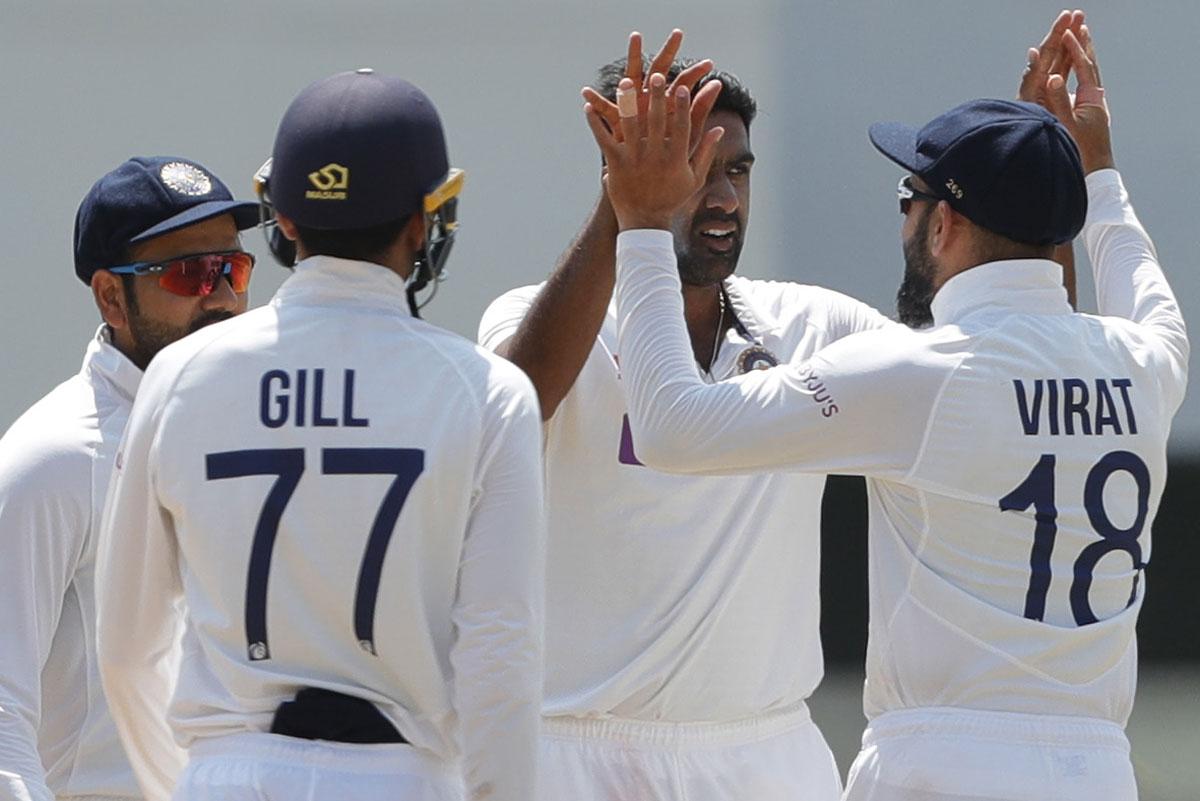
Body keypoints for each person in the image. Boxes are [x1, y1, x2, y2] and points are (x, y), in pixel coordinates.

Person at [598, 12, 1187, 801]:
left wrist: (638, 223)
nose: (904, 217)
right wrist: (1095, 170)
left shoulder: (916, 371)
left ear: (944, 220)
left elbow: (672, 428)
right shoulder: (1151, 359)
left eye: (909, 197)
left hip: (944, 766)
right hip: (1098, 769)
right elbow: (1123, 268)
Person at [94, 69, 545, 801]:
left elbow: (126, 650)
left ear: (286, 220)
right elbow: (501, 658)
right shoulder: (488, 392)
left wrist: (191, 782)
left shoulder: (179, 374)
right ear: (422, 222)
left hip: (226, 774)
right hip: (405, 776)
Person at [479, 31, 889, 801]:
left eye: (737, 169)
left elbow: (955, 385)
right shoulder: (537, 317)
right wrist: (629, 210)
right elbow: (516, 404)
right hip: (572, 752)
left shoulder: (817, 324)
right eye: (696, 170)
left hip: (764, 755)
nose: (725, 198)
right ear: (619, 172)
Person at [0, 156, 258, 801]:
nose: (222, 296)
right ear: (112, 297)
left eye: (233, 267)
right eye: (190, 273)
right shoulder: (57, 455)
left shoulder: (248, 430)